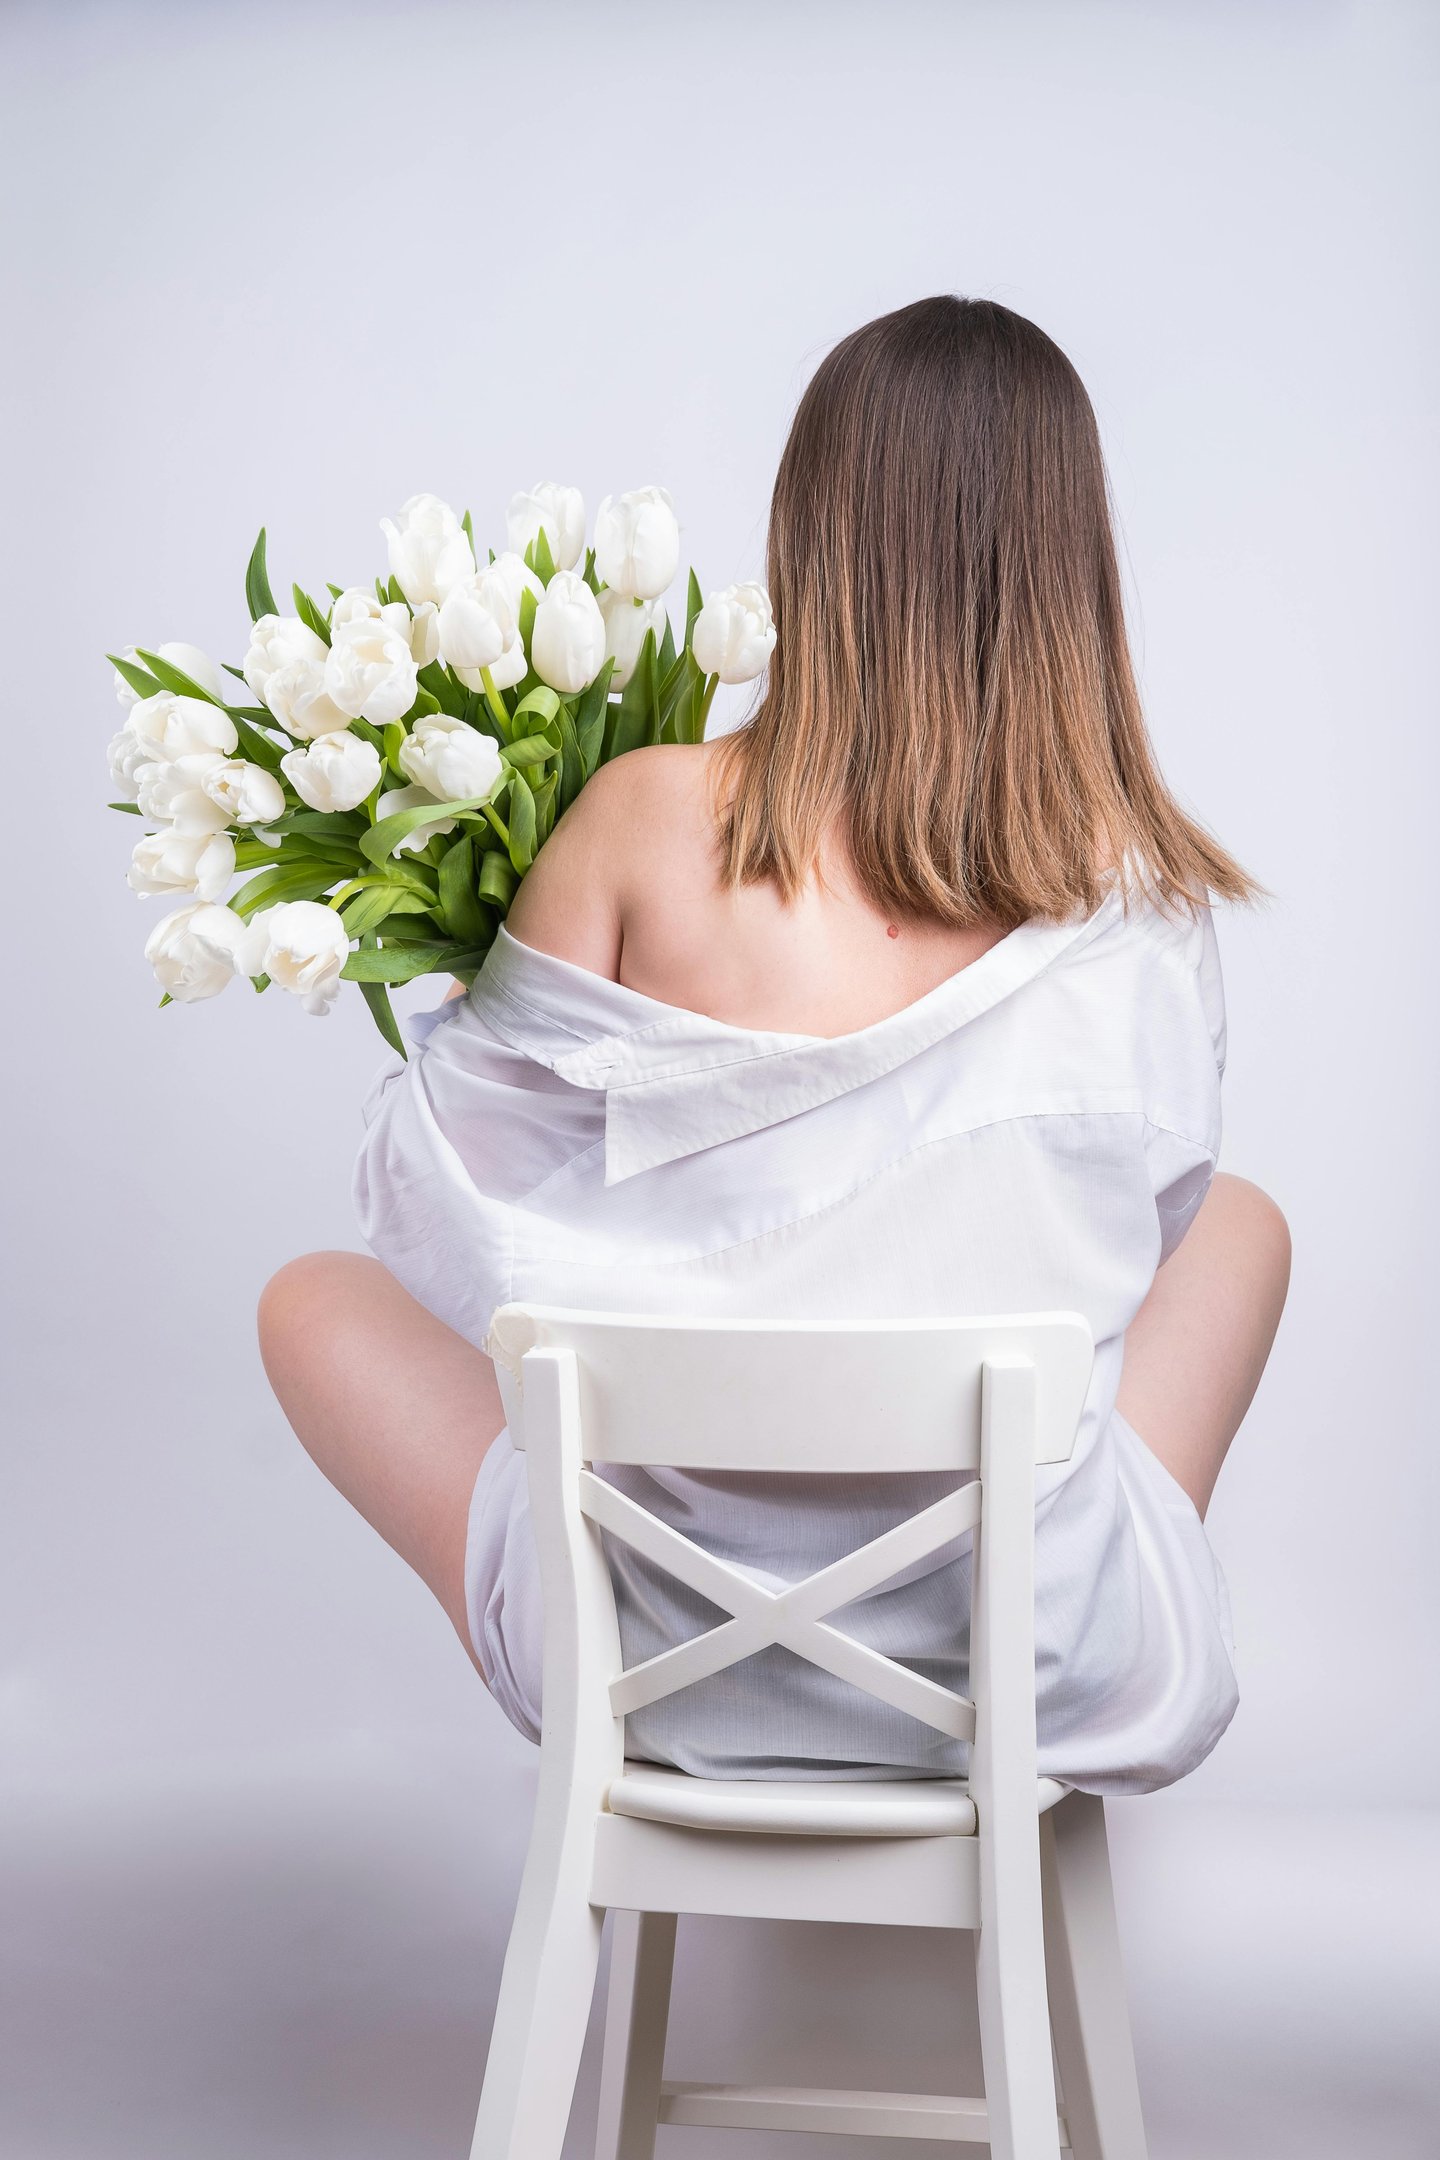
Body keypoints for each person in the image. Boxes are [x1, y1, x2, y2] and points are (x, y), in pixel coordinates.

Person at [259, 295, 1290, 1790]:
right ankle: (1043, 1593)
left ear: (809, 534)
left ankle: (695, 1574)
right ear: (1078, 565)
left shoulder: (645, 819)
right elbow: (1130, 1242)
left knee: (314, 1296)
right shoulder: (1148, 910)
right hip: (1033, 1672)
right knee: (1234, 1227)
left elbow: (429, 1199)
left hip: (655, 1660)